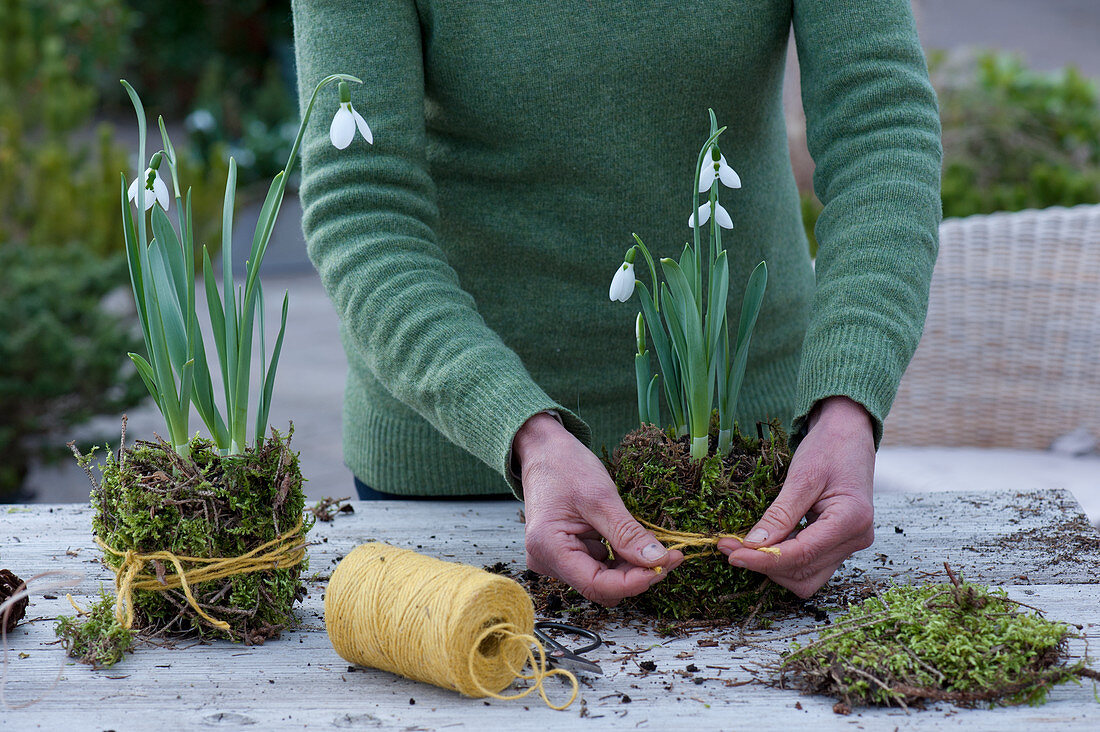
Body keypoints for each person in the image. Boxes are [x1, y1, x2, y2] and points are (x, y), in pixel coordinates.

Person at [290, 0, 941, 606]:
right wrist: (517, 427)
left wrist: (848, 400)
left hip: (750, 467)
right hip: (459, 472)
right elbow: (364, 205)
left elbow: (881, 131)